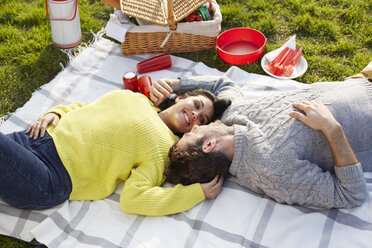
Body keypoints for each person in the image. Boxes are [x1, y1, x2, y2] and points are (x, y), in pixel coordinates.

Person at [150, 62, 372, 209]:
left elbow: (222, 84)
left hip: (360, 80)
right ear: (208, 144)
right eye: (193, 133)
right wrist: (332, 128)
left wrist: (175, 85)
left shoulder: (230, 119)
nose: (195, 126)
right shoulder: (272, 170)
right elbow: (351, 194)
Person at [0, 87, 230, 216]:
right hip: (34, 137)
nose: (195, 115)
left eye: (202, 119)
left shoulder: (163, 150)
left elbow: (134, 199)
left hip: (50, 174)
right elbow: (88, 107)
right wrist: (57, 112)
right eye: (196, 105)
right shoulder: (136, 97)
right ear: (181, 98)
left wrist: (196, 193)